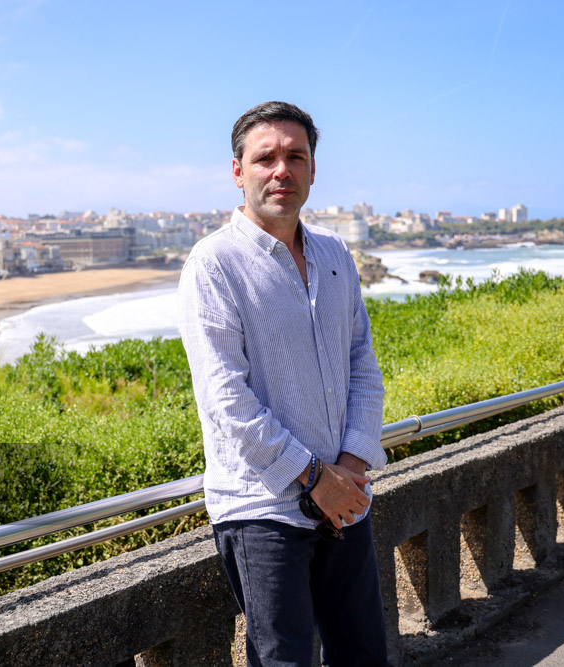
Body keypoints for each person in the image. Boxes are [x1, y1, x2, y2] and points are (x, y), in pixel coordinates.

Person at [177, 101, 390, 666]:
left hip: (346, 499)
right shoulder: (213, 264)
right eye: (265, 157)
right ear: (238, 171)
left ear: (314, 169)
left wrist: (350, 468)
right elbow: (226, 398)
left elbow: (362, 365)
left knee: (364, 654)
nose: (282, 170)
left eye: (296, 156)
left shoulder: (335, 254)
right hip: (261, 507)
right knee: (284, 661)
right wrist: (316, 476)